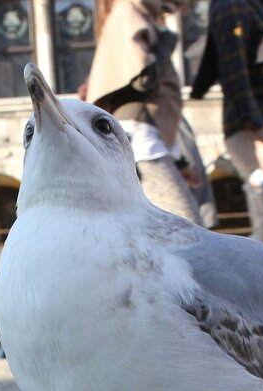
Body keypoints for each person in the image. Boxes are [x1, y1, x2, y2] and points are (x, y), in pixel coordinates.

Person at [189, 0, 263, 259]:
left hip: (261, 126)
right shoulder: (235, 6)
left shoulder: (250, 6)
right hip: (257, 129)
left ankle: (261, 296)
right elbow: (235, 77)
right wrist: (261, 134)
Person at [83, 0, 202, 225]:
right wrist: (167, 43)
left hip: (141, 133)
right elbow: (143, 80)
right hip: (137, 135)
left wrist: (179, 161)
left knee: (168, 228)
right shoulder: (128, 10)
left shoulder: (138, 14)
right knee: (186, 225)